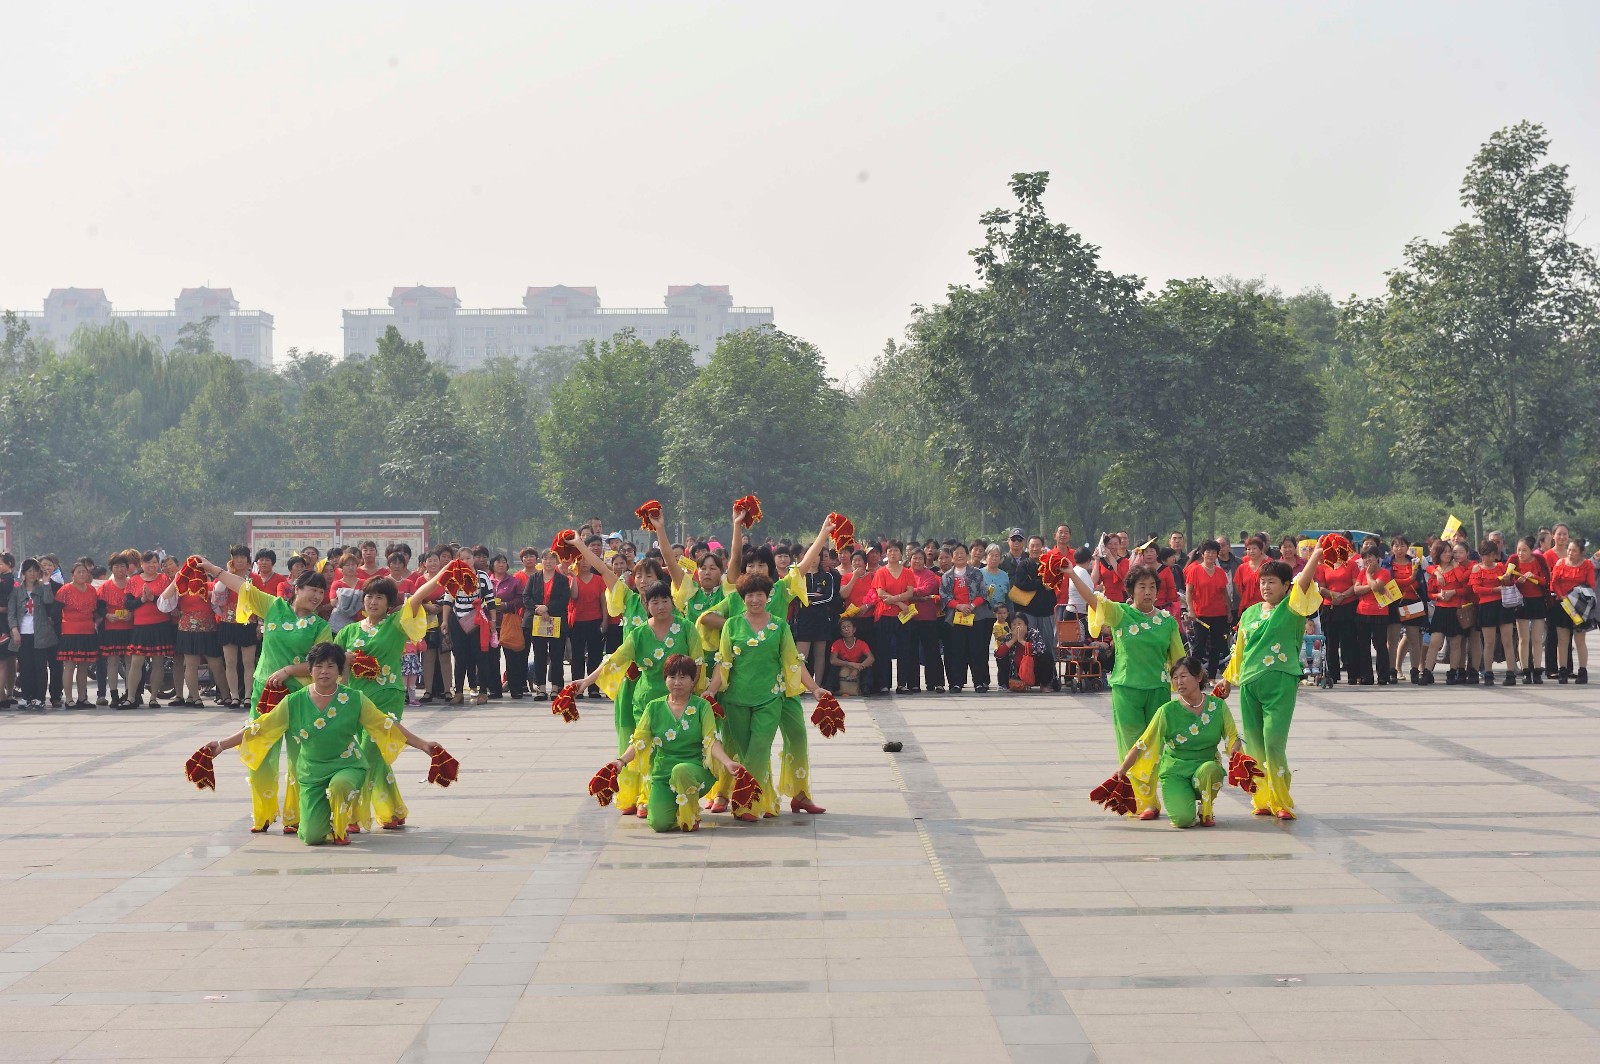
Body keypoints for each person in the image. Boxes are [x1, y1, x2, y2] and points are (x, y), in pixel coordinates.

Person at [199, 642, 445, 846]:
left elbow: (386, 725)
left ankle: (341, 825)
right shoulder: (294, 701)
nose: (324, 671)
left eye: (331, 666)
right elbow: (260, 726)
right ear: (310, 669)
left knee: (340, 785)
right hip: (311, 773)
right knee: (312, 837)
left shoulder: (354, 699)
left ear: (339, 670)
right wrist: (220, 745)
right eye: (318, 666)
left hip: (347, 765)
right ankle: (321, 817)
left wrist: (424, 745)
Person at [203, 558, 331, 833]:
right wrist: (213, 570)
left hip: (299, 696)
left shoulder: (319, 625)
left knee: (300, 758)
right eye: (313, 589)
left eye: (321, 592)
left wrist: (289, 670)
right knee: (260, 752)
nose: (317, 596)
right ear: (297, 588)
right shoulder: (274, 607)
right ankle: (262, 814)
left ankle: (295, 817)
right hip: (265, 693)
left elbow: (320, 664)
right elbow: (242, 586)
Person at [702, 572, 831, 822]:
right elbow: (723, 662)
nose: (755, 600)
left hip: (770, 699)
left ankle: (745, 804)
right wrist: (712, 690)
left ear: (767, 596)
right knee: (744, 752)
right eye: (750, 595)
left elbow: (793, 661)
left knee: (759, 749)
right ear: (743, 598)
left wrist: (815, 688)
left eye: (759, 594)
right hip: (736, 700)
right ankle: (764, 798)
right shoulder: (731, 625)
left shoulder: (780, 626)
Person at [1063, 561, 1186, 818]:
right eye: (1142, 586)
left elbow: (1179, 660)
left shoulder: (1167, 622)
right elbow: (1092, 600)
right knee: (1132, 745)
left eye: (1152, 587)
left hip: (1158, 691)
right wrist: (1071, 574)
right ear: (1131, 590)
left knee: (1153, 746)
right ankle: (1145, 802)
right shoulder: (1120, 613)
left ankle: (1147, 799)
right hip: (1126, 689)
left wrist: (1190, 693)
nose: (1148, 592)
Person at [573, 578, 703, 819]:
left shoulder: (686, 628)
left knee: (673, 751)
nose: (661, 606)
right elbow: (615, 660)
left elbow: (697, 663)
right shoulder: (640, 633)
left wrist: (691, 694)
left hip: (680, 702)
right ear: (646, 604)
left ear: (672, 601)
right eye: (655, 601)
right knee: (647, 751)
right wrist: (586, 681)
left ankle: (676, 795)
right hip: (647, 702)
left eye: (665, 600)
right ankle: (646, 796)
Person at [1217, 546, 1323, 820]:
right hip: (1250, 684)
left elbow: (1304, 582)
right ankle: (1262, 797)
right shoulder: (1249, 613)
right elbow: (1239, 651)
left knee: (1274, 742)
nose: (1266, 587)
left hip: (1281, 683)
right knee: (1254, 744)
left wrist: (1316, 554)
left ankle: (1280, 800)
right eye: (1263, 582)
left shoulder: (1292, 607)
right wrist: (1227, 680)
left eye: (1272, 582)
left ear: (1286, 586)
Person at [335, 566, 446, 829]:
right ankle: (393, 811)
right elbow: (330, 665)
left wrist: (444, 572)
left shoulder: (395, 624)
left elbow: (419, 596)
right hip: (357, 699)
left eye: (379, 597)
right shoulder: (348, 632)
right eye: (369, 596)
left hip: (387, 697)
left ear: (388, 603)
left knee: (367, 754)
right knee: (375, 757)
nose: (373, 602)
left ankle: (353, 815)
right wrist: (344, 661)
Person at [607, 654, 743, 832]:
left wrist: (727, 762)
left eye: (683, 677)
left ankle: (690, 816)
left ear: (693, 680)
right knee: (658, 824)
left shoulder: (702, 706)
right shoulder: (653, 707)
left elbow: (711, 740)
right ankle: (677, 808)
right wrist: (621, 761)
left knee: (681, 771)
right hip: (663, 774)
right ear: (665, 679)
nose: (677, 682)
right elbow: (640, 741)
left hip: (695, 771)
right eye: (672, 677)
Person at [1110, 656, 1244, 828]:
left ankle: (1206, 809)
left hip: (1205, 768)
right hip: (1175, 771)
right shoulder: (1167, 711)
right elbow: (1144, 742)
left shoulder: (1217, 706)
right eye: (1174, 678)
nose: (1179, 682)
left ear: (1198, 677)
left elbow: (1233, 736)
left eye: (1183, 676)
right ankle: (1184, 800)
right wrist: (1123, 769)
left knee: (1211, 769)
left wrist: (1235, 753)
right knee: (1183, 820)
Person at [940, 543, 990, 693]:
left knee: (976, 650)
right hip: (956, 618)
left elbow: (983, 593)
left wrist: (972, 605)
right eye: (956, 553)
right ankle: (957, 683)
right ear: (952, 557)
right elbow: (944, 597)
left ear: (967, 555)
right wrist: (959, 606)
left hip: (975, 616)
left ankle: (979, 682)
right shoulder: (947, 576)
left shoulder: (976, 573)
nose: (960, 555)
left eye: (962, 552)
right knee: (957, 651)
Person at [522, 549, 572, 701]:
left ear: (557, 561)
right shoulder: (534, 578)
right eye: (545, 558)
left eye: (552, 558)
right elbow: (526, 597)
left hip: (556, 621)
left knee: (557, 655)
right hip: (537, 621)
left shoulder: (562, 580)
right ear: (541, 560)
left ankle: (556, 687)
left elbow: (564, 599)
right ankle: (541, 688)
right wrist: (539, 609)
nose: (548, 561)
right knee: (539, 655)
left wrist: (547, 608)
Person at [128, 551, 173, 707]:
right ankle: (131, 697)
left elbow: (168, 603)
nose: (151, 565)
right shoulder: (134, 580)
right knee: (136, 662)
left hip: (161, 626)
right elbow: (128, 604)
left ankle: (153, 697)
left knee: (158, 663)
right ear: (142, 564)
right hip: (141, 626)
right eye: (148, 562)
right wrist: (142, 600)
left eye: (154, 562)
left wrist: (152, 598)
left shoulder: (164, 579)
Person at [870, 540, 916, 693]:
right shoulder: (881, 572)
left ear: (901, 554)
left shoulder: (908, 572)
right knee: (883, 651)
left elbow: (910, 592)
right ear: (886, 554)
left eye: (896, 550)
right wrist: (900, 603)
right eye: (890, 551)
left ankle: (902, 683)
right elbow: (880, 593)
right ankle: (884, 684)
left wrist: (896, 601)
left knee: (904, 649)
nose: (893, 553)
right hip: (885, 615)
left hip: (903, 616)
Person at [54, 560, 100, 707]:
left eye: (84, 572)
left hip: (87, 631)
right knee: (69, 666)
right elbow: (55, 612)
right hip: (70, 632)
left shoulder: (92, 590)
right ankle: (69, 699)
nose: (81, 574)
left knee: (84, 667)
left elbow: (96, 611)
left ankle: (82, 698)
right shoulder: (65, 590)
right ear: (72, 574)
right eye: (78, 572)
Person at [1349, 543, 1395, 685]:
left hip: (1379, 612)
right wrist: (1371, 585)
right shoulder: (1361, 572)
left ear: (1378, 558)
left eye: (1371, 556)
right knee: (1363, 645)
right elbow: (1356, 590)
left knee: (1380, 644)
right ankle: (1366, 676)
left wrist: (1369, 576)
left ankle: (1383, 676)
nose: (1368, 560)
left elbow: (1376, 586)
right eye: (1365, 557)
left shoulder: (1384, 572)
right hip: (1362, 611)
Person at [1468, 539, 1513, 686]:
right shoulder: (1477, 569)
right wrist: (1494, 590)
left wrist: (1506, 579)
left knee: (1507, 641)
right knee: (1489, 642)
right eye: (1486, 555)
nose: (1489, 558)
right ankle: (1488, 672)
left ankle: (1510, 672)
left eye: (1492, 555)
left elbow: (1509, 584)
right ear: (1481, 555)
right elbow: (1476, 589)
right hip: (1486, 606)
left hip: (1503, 605)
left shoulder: (1500, 567)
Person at [1183, 541, 1230, 679]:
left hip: (1219, 613)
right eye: (1208, 552)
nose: (1210, 555)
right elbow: (1189, 592)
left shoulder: (1220, 572)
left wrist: (1228, 611)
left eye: (1214, 552)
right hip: (1200, 614)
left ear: (1217, 555)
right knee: (1199, 645)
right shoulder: (1195, 570)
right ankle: (1194, 674)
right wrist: (1191, 610)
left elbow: (1225, 593)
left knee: (1216, 646)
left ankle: (1212, 676)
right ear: (1202, 554)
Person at [1427, 540, 1472, 685]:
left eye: (1449, 551)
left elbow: (1466, 588)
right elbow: (1430, 593)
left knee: (1455, 644)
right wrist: (1438, 596)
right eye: (1444, 552)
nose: (1447, 554)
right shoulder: (1435, 570)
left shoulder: (1457, 567)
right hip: (1440, 609)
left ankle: (1453, 672)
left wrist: (1453, 592)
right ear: (1438, 554)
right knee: (1434, 642)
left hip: (1456, 609)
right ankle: (1427, 672)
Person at [1550, 537, 1592, 684]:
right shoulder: (1560, 563)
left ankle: (1582, 671)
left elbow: (1591, 584)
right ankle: (1562, 670)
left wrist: (1575, 595)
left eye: (1574, 551)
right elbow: (1554, 582)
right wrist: (1562, 596)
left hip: (1579, 606)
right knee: (1562, 640)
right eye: (1569, 550)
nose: (1570, 553)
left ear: (1581, 552)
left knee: (1580, 640)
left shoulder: (1587, 565)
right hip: (1562, 605)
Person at [98, 551, 137, 706]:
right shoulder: (105, 586)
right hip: (112, 628)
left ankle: (129, 693)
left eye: (122, 566)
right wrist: (107, 615)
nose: (119, 569)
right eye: (116, 566)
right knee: (112, 662)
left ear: (127, 568)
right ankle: (114, 695)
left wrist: (132, 614)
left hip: (130, 628)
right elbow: (99, 607)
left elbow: (139, 603)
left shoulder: (133, 584)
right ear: (111, 568)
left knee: (130, 662)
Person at [1510, 536, 1551, 685]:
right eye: (1518, 550)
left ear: (1531, 550)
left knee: (1537, 639)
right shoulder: (1514, 560)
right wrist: (1518, 582)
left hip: (1537, 601)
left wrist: (1534, 576)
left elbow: (1546, 581)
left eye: (1524, 550)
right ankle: (1526, 670)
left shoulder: (1539, 560)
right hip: (1521, 601)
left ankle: (1537, 670)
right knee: (1523, 639)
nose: (1520, 553)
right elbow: (1507, 580)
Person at [907, 547, 945, 692]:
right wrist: (916, 597)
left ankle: (936, 683)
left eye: (920, 558)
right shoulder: (905, 573)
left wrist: (909, 593)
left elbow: (926, 590)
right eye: (914, 558)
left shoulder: (929, 574)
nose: (917, 561)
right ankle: (913, 684)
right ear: (909, 559)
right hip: (909, 618)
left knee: (932, 651)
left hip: (928, 618)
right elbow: (900, 590)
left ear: (924, 561)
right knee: (911, 652)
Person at [1388, 535, 1426, 684]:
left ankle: (1414, 671)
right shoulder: (1387, 563)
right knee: (1392, 640)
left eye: (1402, 546)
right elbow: (1389, 582)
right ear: (1392, 548)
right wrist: (1409, 579)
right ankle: (1392, 670)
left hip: (1412, 602)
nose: (1399, 549)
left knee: (1414, 639)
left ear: (1408, 547)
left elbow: (1418, 583)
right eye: (1396, 546)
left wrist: (1408, 581)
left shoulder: (1415, 562)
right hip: (1394, 602)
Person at [830, 616, 874, 696]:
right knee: (834, 666)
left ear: (854, 629)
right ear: (841, 632)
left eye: (849, 626)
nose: (846, 629)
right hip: (844, 665)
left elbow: (871, 658)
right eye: (843, 627)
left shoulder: (861, 643)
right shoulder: (837, 643)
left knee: (867, 664)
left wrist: (858, 668)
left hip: (858, 666)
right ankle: (832, 688)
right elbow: (833, 660)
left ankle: (865, 688)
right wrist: (850, 664)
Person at [1234, 536, 1267, 616]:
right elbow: (1237, 586)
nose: (1251, 551)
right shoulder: (1242, 567)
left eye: (1254, 548)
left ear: (1261, 550)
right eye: (1248, 549)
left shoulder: (1268, 565)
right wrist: (1246, 595)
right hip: (1247, 606)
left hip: (1265, 605)